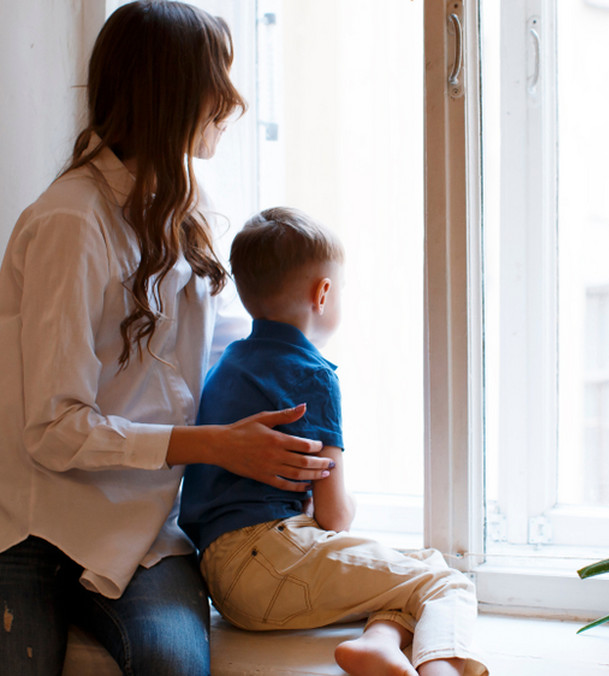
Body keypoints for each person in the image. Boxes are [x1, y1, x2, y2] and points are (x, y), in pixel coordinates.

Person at [0, 4, 334, 675]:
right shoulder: (71, 223)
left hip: (144, 533)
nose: (235, 101)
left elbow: (212, 358)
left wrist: (305, 378)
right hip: (28, 524)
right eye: (219, 77)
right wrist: (214, 445)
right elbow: (52, 430)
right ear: (172, 91)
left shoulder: (190, 210)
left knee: (173, 666)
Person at [179, 207, 488, 676]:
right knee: (446, 582)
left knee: (415, 567)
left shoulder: (226, 364)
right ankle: (440, 672)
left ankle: (379, 643)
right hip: (273, 560)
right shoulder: (314, 376)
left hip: (221, 581)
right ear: (324, 293)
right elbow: (334, 516)